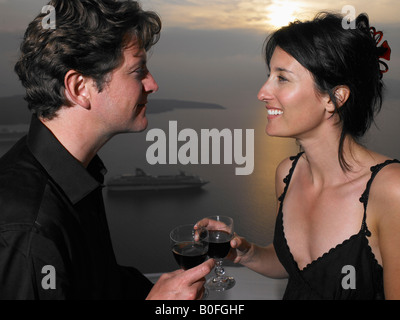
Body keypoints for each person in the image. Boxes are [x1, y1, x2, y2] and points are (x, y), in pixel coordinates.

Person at [0, 0, 213, 300]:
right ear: (79, 88)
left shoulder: (72, 174)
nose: (152, 84)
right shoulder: (30, 227)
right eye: (138, 70)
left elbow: (96, 285)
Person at [198, 12, 400, 299]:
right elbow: (296, 265)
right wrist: (244, 252)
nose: (262, 92)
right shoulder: (286, 174)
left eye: (282, 78)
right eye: (268, 75)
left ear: (334, 98)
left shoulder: (391, 190)